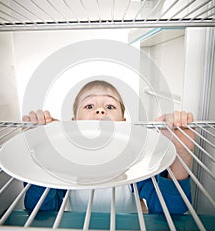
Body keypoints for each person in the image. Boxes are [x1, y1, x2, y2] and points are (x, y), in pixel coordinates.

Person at [22, 80, 195, 214]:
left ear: (123, 124)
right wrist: (45, 152)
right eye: (89, 106)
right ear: (73, 124)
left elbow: (172, 210)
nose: (100, 111)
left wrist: (181, 153)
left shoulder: (136, 163)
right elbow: (39, 209)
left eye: (110, 106)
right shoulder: (64, 164)